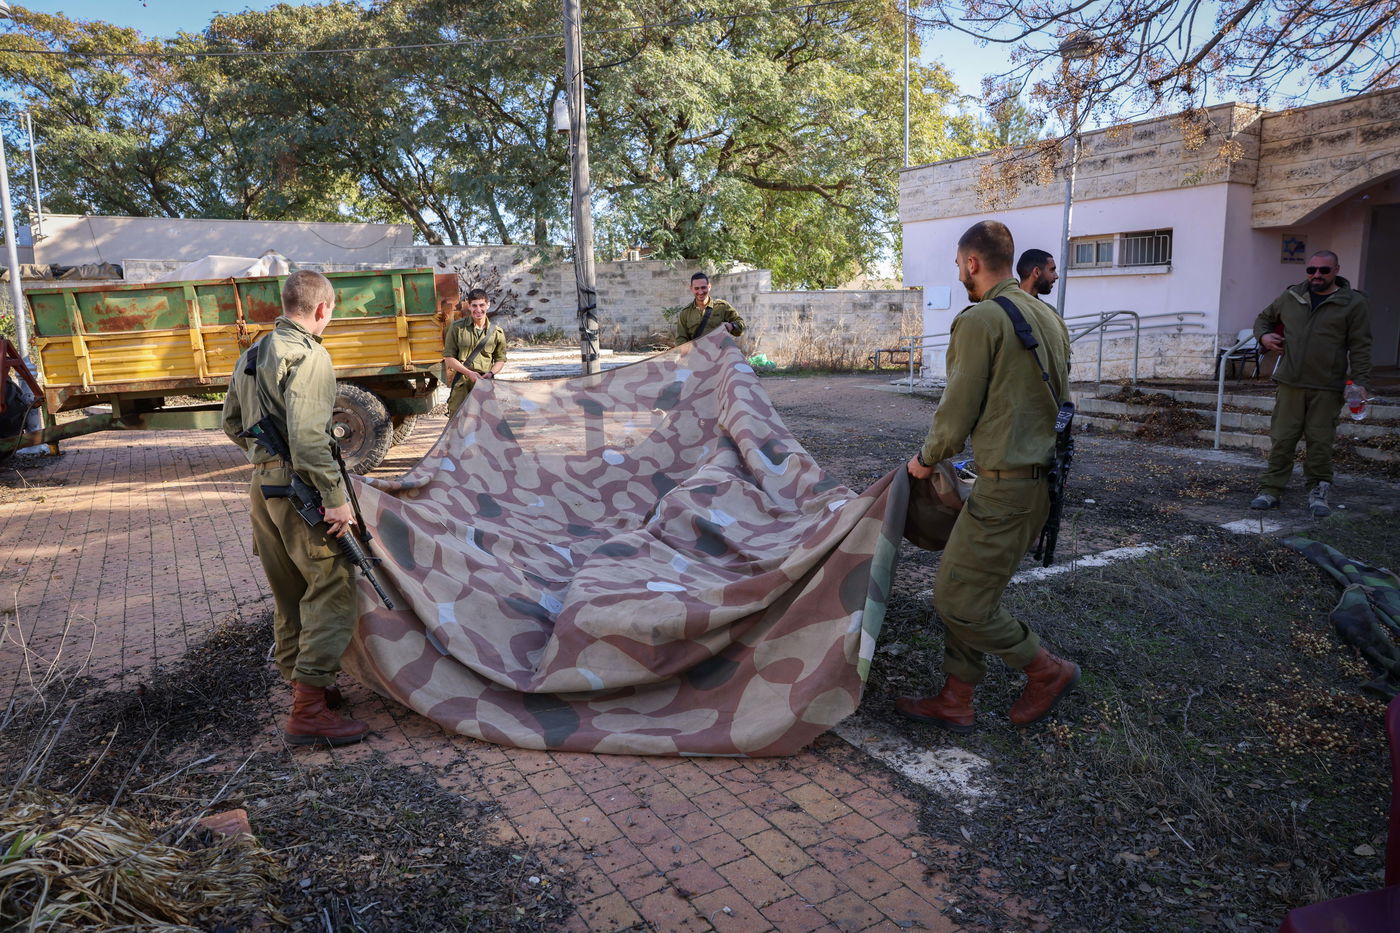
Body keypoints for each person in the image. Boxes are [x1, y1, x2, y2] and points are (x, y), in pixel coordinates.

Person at [898, 220, 1080, 733]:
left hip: (1005, 488)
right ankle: (957, 697)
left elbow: (956, 412)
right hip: (1038, 483)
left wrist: (927, 459)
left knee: (956, 598)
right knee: (972, 588)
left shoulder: (980, 320)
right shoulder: (1048, 316)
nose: (959, 273)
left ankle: (1046, 671)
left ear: (973, 262)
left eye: (959, 265)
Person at [222, 270, 369, 747]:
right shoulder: (309, 354)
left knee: (288, 589)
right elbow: (309, 441)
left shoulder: (253, 352)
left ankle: (307, 686)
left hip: (263, 487)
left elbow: (231, 423)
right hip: (300, 488)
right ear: (323, 309)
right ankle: (308, 711)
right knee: (333, 585)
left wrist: (267, 460)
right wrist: (336, 499)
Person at [1249, 250, 1371, 518]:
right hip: (1291, 382)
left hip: (1327, 386)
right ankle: (1271, 490)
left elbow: (1361, 345)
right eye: (1312, 270)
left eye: (1324, 270)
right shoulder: (1291, 296)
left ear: (1336, 270)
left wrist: (1360, 382)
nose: (1317, 275)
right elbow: (1263, 319)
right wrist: (1264, 337)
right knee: (1282, 439)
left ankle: (1318, 491)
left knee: (1320, 441)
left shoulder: (1352, 303)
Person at [442, 288, 508, 417]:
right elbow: (448, 357)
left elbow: (500, 359)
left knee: (487, 422)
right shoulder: (457, 328)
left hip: (485, 384)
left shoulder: (497, 332)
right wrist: (469, 373)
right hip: (463, 383)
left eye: (482, 305)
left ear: (488, 305)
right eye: (474, 306)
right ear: (469, 306)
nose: (478, 310)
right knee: (458, 423)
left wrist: (491, 373)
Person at [675, 272, 745, 343]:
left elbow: (740, 324)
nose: (700, 292)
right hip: (696, 353)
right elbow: (680, 339)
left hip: (718, 352)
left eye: (703, 287)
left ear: (709, 287)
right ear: (691, 288)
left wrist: (732, 326)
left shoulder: (722, 306)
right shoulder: (685, 313)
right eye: (696, 288)